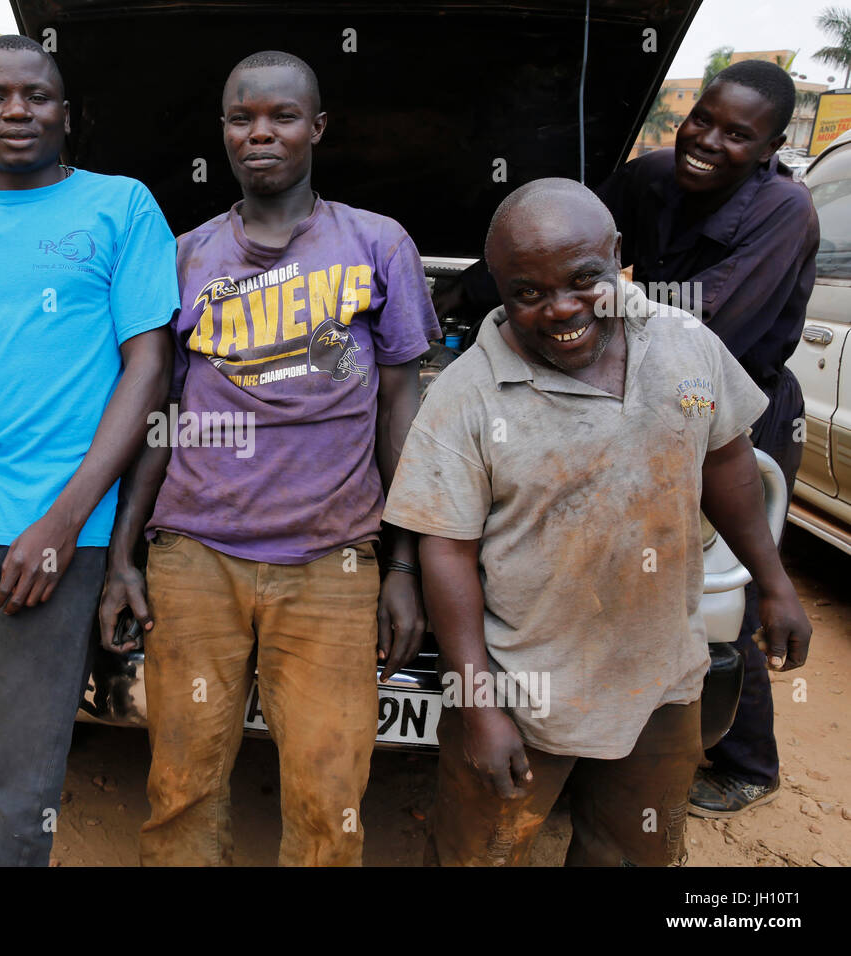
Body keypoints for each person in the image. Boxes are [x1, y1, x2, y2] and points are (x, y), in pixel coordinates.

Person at [384, 179, 811, 866]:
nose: (562, 310)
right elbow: (447, 553)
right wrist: (480, 708)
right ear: (497, 287)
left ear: (617, 254)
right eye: (526, 292)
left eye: (586, 279)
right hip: (527, 693)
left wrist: (775, 582)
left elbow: (727, 460)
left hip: (661, 683)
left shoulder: (685, 343)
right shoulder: (465, 395)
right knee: (481, 853)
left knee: (632, 852)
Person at [438, 60, 819, 818]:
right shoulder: (652, 178)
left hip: (729, 400)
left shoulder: (787, 214)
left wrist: (574, 331)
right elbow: (544, 245)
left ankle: (743, 761)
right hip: (623, 376)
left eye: (736, 134)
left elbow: (707, 329)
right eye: (701, 118)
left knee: (697, 581)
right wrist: (459, 298)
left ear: (772, 146)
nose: (705, 140)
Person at [100, 51, 439, 866]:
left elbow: (402, 407)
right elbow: (162, 412)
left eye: (282, 116)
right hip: (194, 556)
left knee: (329, 799)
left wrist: (404, 565)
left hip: (333, 562)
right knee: (180, 788)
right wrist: (123, 555)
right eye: (242, 118)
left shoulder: (376, 243)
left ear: (316, 128)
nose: (261, 133)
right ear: (222, 132)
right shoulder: (185, 256)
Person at [0, 35, 179, 867]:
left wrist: (64, 522)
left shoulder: (123, 206)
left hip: (55, 537)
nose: (16, 112)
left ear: (68, 115)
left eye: (37, 97)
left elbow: (152, 367)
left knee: (11, 776)